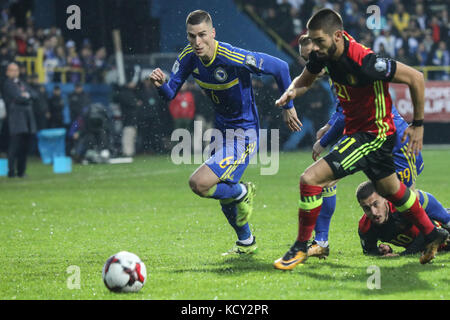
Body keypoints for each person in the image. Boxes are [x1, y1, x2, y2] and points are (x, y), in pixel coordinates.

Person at [273, 8, 448, 269]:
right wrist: (291, 92)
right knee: (392, 191)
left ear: (338, 36)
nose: (315, 49)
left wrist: (419, 125)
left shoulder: (365, 61)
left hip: (373, 135)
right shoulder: (323, 55)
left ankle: (300, 247)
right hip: (361, 133)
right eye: (313, 41)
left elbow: (416, 77)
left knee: (310, 179)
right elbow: (305, 80)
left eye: (319, 41)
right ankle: (433, 233)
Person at [150, 10, 300, 255]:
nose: (197, 42)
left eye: (202, 35)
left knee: (200, 183)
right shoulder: (189, 56)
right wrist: (160, 85)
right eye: (191, 36)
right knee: (221, 194)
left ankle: (243, 191)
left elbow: (281, 67)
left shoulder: (232, 56)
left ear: (213, 33)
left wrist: (288, 106)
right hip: (220, 133)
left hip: (244, 134)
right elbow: (170, 93)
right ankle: (246, 241)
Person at [356, 181, 450, 257]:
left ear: (385, 198)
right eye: (366, 208)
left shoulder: (402, 207)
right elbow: (369, 252)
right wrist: (383, 251)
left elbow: (431, 232)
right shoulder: (366, 227)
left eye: (376, 204)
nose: (373, 212)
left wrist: (402, 255)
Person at [3, 62, 37, 178]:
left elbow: (34, 94)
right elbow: (18, 97)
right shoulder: (7, 84)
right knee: (14, 146)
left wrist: (25, 96)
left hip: (27, 119)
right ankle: (11, 172)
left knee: (24, 146)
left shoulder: (22, 83)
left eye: (16, 70)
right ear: (7, 72)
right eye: (12, 70)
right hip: (16, 119)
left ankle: (21, 171)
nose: (15, 72)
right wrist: (26, 97)